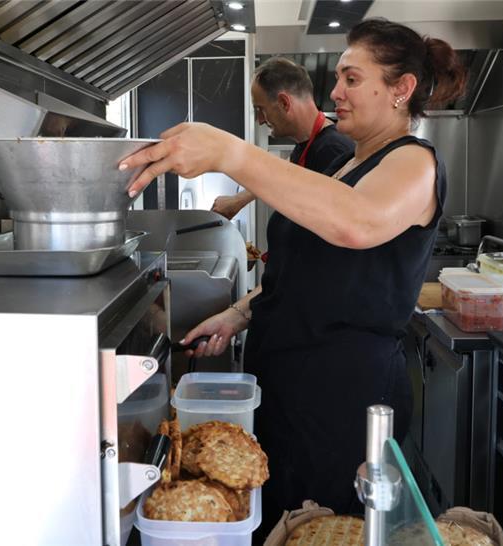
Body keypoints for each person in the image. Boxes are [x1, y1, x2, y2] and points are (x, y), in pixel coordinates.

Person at [119, 17, 466, 534]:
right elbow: (305, 268)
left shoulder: (414, 162)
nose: (335, 91)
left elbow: (357, 222)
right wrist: (238, 314)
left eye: (352, 78)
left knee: (325, 531)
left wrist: (230, 153)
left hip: (342, 400)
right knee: (286, 524)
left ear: (402, 89)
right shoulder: (347, 164)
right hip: (291, 388)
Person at [211, 57, 353, 220]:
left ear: (284, 103)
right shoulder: (305, 146)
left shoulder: (334, 151)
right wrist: (239, 199)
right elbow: (282, 174)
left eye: (261, 109)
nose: (261, 120)